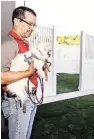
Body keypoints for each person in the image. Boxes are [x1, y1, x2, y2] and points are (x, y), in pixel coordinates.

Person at [1, 6, 48, 139]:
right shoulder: (9, 44)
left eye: (34, 25)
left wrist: (41, 66)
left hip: (28, 99)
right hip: (18, 102)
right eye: (30, 24)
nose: (32, 28)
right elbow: (1, 77)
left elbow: (27, 65)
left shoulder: (24, 43)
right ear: (17, 21)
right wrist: (28, 73)